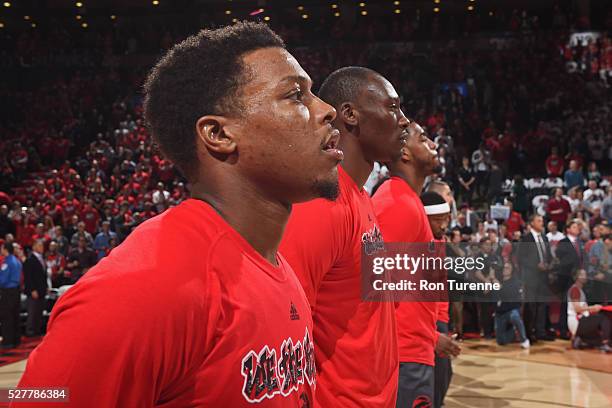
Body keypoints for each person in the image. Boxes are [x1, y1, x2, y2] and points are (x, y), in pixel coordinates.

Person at [18, 22, 341, 406]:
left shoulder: (270, 262)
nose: (327, 110)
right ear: (219, 134)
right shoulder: (144, 288)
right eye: (295, 96)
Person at [280, 66, 408, 407]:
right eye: (394, 108)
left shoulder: (360, 197)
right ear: (350, 115)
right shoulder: (321, 203)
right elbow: (287, 321)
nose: (405, 121)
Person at [373, 121, 460, 408]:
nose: (433, 144)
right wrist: (432, 337)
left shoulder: (407, 202)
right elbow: (375, 294)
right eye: (423, 138)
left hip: (414, 350)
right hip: (405, 355)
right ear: (405, 153)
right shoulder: (397, 203)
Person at [421, 191, 455, 408]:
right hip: (422, 325)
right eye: (438, 220)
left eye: (446, 220)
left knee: (443, 375)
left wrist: (443, 320)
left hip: (437, 318)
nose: (443, 225)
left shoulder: (440, 243)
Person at [519, 215, 553, 342]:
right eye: (539, 221)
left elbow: (547, 255)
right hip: (531, 278)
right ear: (532, 223)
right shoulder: (526, 238)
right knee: (531, 306)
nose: (542, 223)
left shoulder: (545, 238)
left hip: (543, 277)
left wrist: (548, 264)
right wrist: (535, 265)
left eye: (542, 221)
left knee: (542, 305)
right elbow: (521, 258)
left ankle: (541, 332)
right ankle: (529, 332)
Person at [568, 269, 611, 352]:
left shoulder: (580, 290)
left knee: (597, 340)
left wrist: (594, 309)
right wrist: (592, 307)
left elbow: (584, 308)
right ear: (577, 277)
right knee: (603, 318)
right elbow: (577, 308)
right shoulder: (575, 290)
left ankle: (580, 339)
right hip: (577, 321)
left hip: (582, 319)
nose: (585, 277)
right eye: (583, 275)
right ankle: (605, 344)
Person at [555, 220, 585, 339]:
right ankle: (563, 329)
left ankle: (575, 328)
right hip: (567, 278)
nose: (577, 228)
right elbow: (562, 260)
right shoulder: (563, 242)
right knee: (565, 304)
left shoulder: (579, 243)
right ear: (568, 229)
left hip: (578, 279)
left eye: (577, 226)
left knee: (577, 303)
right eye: (574, 226)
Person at [495, 262, 530, 348]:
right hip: (500, 313)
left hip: (511, 310)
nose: (505, 269)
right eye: (504, 267)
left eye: (507, 268)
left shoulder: (516, 283)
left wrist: (500, 288)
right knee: (501, 341)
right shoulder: (498, 281)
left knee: (515, 316)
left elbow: (510, 297)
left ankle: (524, 340)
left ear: (511, 270)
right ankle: (512, 333)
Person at [23, 239, 48, 337]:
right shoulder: (30, 259)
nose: (42, 248)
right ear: (34, 247)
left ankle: (37, 331)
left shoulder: (42, 259)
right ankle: (30, 331)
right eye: (40, 246)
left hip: (41, 290)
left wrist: (46, 287)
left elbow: (43, 275)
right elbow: (28, 277)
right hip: (34, 291)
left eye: (42, 246)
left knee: (39, 312)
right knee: (32, 312)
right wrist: (32, 289)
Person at [0, 242, 22, 348]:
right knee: (15, 315)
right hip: (16, 290)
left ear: (5, 249)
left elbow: (2, 280)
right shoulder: (17, 261)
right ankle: (16, 339)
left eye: (1, 248)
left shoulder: (7, 262)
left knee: (6, 316)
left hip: (8, 291)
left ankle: (7, 341)